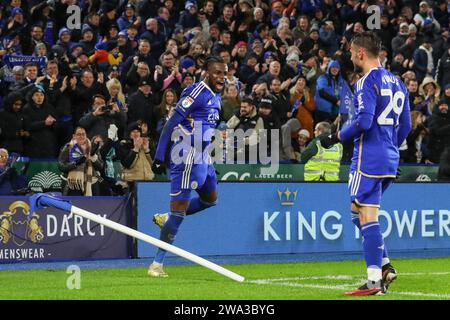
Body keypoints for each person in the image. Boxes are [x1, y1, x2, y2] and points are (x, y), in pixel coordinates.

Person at [320, 32, 412, 295]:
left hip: (368, 158)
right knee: (357, 213)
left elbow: (363, 122)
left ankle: (374, 281)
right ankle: (384, 266)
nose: (349, 56)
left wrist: (336, 136)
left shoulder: (365, 82)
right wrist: (390, 146)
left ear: (361, 53)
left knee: (365, 215)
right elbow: (405, 125)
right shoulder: (398, 83)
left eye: (351, 51)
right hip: (389, 157)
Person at [147, 56, 226, 277]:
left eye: (224, 72)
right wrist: (160, 155)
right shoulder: (195, 92)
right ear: (208, 73)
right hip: (185, 157)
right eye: (218, 72)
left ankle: (167, 217)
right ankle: (156, 265)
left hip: (203, 157)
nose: (222, 77)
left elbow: (206, 126)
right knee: (179, 213)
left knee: (210, 200)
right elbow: (171, 122)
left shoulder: (216, 97)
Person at [58, 127, 103, 196]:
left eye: (83, 134)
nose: (81, 136)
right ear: (74, 136)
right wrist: (75, 163)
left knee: (92, 206)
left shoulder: (93, 147)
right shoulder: (68, 147)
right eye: (78, 134)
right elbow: (61, 166)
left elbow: (100, 166)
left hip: (91, 183)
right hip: (73, 185)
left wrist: (92, 156)